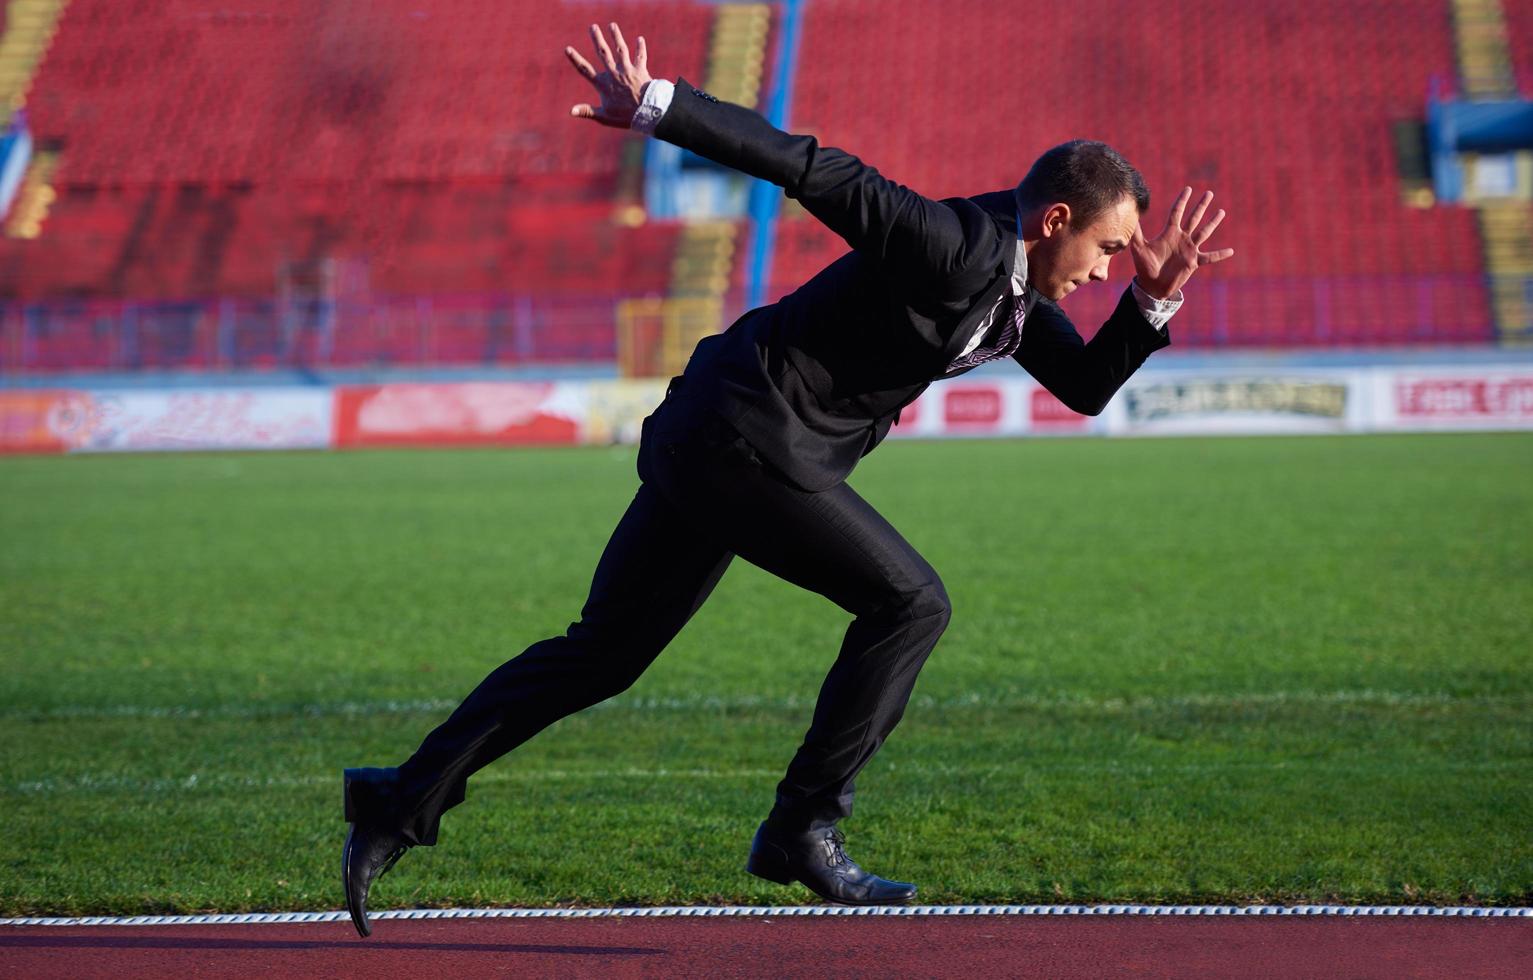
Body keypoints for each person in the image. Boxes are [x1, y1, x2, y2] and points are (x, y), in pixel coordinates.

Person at [341, 22, 1234, 935]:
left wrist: (1150, 300)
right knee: (911, 604)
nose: (1106, 269)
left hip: (718, 437)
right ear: (1054, 222)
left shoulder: (1021, 295)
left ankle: (397, 801)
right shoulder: (952, 242)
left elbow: (1084, 387)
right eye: (1110, 251)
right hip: (745, 438)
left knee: (604, 653)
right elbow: (816, 170)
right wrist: (661, 106)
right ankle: (802, 829)